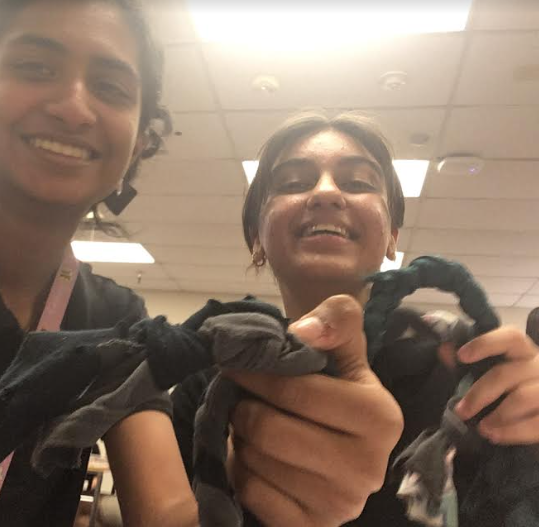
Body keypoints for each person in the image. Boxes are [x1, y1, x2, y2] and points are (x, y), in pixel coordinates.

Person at [0, 1, 197, 526]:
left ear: (139, 142)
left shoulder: (115, 319)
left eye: (110, 87)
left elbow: (169, 512)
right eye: (36, 68)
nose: (73, 108)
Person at [171, 111, 539, 526]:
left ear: (392, 237)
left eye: (359, 182)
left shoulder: (469, 368)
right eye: (292, 183)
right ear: (257, 238)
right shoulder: (205, 380)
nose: (326, 193)